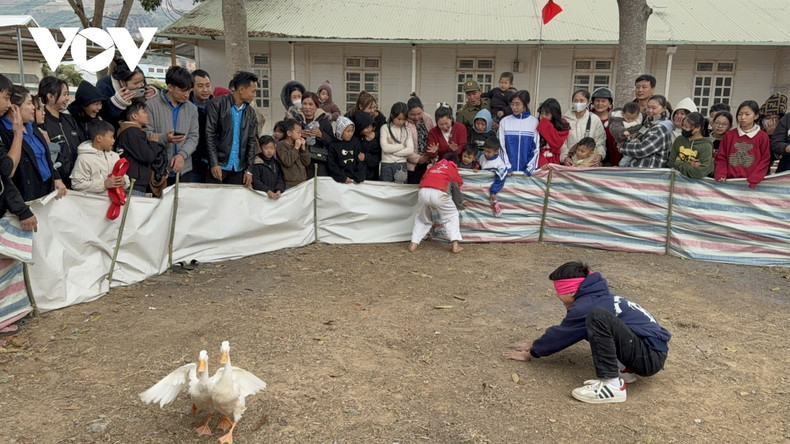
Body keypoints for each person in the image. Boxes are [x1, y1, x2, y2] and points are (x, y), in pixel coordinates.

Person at [503, 261, 671, 404]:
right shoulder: (600, 297)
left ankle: (611, 385)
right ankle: (624, 370)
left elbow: (563, 334)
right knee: (595, 322)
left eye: (559, 291)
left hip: (649, 357)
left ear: (570, 291)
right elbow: (571, 330)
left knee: (596, 318)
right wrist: (534, 345)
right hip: (649, 351)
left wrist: (531, 352)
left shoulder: (588, 306)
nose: (557, 295)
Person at [0, 86, 67, 201]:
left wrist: (56, 177)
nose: (33, 108)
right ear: (14, 108)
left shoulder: (31, 125)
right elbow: (7, 172)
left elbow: (46, 156)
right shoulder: (4, 132)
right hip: (24, 197)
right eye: (29, 103)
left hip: (46, 189)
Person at [146, 66, 200, 184]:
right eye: (182, 90)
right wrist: (165, 138)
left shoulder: (192, 109)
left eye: (189, 90)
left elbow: (193, 137)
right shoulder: (150, 105)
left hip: (184, 169)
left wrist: (182, 155)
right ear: (170, 87)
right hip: (159, 168)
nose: (186, 95)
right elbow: (146, 134)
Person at [204, 71, 258, 187]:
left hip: (238, 169)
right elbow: (209, 134)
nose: (254, 95)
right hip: (218, 166)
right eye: (253, 91)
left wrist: (249, 170)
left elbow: (251, 141)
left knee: (234, 204)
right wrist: (214, 163)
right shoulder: (217, 104)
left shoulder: (250, 113)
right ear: (241, 90)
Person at [408, 153, 464, 254]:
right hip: (440, 192)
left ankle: (414, 243)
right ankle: (455, 245)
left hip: (423, 191)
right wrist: (459, 203)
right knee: (452, 216)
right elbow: (456, 188)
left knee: (422, 218)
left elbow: (423, 180)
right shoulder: (452, 169)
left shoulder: (433, 167)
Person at [714, 100, 771, 189]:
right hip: (729, 182)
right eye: (740, 114)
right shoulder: (729, 135)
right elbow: (721, 157)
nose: (743, 117)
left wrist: (754, 179)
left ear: (756, 116)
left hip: (751, 184)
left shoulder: (762, 137)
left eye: (747, 114)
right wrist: (721, 174)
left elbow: (765, 160)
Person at [115, 99, 165, 197]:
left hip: (136, 185)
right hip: (133, 186)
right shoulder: (132, 132)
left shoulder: (133, 132)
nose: (147, 115)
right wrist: (153, 143)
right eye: (144, 112)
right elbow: (147, 156)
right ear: (134, 116)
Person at [38, 77, 81, 187]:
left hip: (78, 179)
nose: (68, 98)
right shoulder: (41, 122)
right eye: (65, 94)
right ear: (50, 96)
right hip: (58, 182)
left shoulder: (69, 119)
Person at [71, 120, 130, 194]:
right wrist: (104, 184)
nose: (114, 141)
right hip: (93, 203)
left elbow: (124, 177)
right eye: (111, 137)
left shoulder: (115, 156)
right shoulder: (84, 158)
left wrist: (123, 181)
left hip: (114, 203)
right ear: (99, 138)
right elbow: (77, 185)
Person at [96, 57, 157, 127]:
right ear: (122, 82)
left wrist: (153, 92)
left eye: (142, 81)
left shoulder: (141, 84)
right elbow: (99, 114)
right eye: (136, 83)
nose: (141, 85)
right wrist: (117, 103)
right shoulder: (105, 85)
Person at [619, 95, 673, 168]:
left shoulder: (661, 127)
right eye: (648, 107)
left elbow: (642, 149)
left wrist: (622, 146)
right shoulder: (648, 123)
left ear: (664, 109)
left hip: (647, 173)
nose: (650, 110)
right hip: (637, 170)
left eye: (654, 108)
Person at [497, 90, 540, 174]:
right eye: (512, 104)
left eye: (517, 104)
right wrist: (507, 167)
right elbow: (501, 146)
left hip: (526, 174)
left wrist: (530, 168)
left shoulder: (534, 122)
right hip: (508, 172)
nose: (514, 107)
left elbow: (536, 147)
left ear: (526, 104)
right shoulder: (504, 121)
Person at [560, 89, 606, 167]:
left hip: (589, 163)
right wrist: (564, 157)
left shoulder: (594, 119)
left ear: (588, 102)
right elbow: (561, 142)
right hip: (570, 163)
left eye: (582, 100)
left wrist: (600, 155)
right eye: (576, 100)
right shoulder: (565, 120)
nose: (578, 103)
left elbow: (600, 141)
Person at [295, 92, 333, 179]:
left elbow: (332, 143)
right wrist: (299, 134)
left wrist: (321, 135)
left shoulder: (324, 121)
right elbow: (287, 138)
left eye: (311, 104)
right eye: (304, 103)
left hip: (320, 163)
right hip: (300, 162)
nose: (307, 107)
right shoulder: (296, 120)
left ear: (316, 106)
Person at [667, 112, 713, 179]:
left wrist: (679, 163)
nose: (683, 128)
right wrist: (690, 165)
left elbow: (699, 172)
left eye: (686, 126)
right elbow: (671, 163)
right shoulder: (679, 140)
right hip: (676, 182)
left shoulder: (706, 146)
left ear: (697, 128)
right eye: (683, 125)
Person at [189, 69, 214, 182]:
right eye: (200, 86)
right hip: (191, 162)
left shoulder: (216, 105)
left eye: (208, 85)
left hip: (212, 163)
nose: (205, 90)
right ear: (192, 87)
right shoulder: (186, 105)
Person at [379, 102, 413, 183]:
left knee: (401, 191)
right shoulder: (385, 128)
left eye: (404, 119)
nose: (401, 122)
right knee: (386, 190)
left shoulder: (407, 130)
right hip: (387, 163)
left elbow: (410, 150)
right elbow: (385, 148)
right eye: (399, 119)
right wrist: (402, 146)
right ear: (392, 115)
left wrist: (392, 151)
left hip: (402, 164)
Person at [405, 95, 435, 184]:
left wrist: (430, 155)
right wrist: (418, 159)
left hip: (428, 162)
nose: (416, 117)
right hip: (412, 164)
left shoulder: (428, 119)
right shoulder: (405, 123)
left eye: (419, 114)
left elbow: (433, 137)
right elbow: (404, 146)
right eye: (412, 114)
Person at [328, 116, 366, 184]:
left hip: (356, 180)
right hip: (340, 181)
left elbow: (360, 160)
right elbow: (332, 164)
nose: (350, 134)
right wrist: (342, 178)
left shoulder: (355, 142)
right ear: (340, 130)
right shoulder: (333, 145)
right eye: (348, 131)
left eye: (352, 131)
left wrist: (359, 176)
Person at [536, 98, 570, 169]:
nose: (543, 117)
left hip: (555, 165)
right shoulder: (536, 125)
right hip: (539, 164)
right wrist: (541, 161)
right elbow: (534, 148)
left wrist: (564, 158)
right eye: (541, 114)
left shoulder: (562, 127)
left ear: (554, 115)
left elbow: (557, 144)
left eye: (547, 114)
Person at [276, 119, 310, 188]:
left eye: (301, 133)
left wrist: (303, 148)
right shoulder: (281, 145)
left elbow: (306, 162)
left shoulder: (299, 143)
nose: (300, 135)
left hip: (303, 181)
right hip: (290, 183)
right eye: (298, 133)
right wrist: (296, 148)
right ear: (289, 133)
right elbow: (287, 162)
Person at [479, 136, 508, 217]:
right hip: (480, 189)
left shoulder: (499, 164)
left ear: (496, 152)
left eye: (489, 152)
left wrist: (493, 191)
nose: (485, 153)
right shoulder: (482, 157)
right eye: (484, 150)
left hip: (491, 192)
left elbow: (501, 179)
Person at [608, 102, 643, 166]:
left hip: (637, 143)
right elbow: (614, 127)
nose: (630, 120)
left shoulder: (641, 118)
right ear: (622, 114)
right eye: (628, 118)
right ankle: (621, 166)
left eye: (633, 118)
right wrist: (623, 131)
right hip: (625, 142)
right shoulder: (618, 120)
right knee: (627, 157)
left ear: (638, 115)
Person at [590, 87, 618, 166]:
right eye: (597, 100)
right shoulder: (587, 117)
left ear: (610, 102)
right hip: (592, 160)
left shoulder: (616, 118)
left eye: (603, 101)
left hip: (613, 160)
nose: (600, 104)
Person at [759, 93, 787, 174]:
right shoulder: (755, 130)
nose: (771, 122)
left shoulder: (784, 134)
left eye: (775, 118)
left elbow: (775, 156)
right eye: (768, 118)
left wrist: (772, 136)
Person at [355, 110, 381, 181]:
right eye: (366, 128)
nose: (369, 130)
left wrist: (365, 157)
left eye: (371, 126)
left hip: (371, 176)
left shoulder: (373, 140)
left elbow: (377, 158)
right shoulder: (355, 140)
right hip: (357, 175)